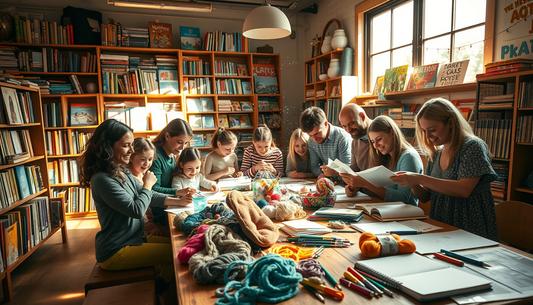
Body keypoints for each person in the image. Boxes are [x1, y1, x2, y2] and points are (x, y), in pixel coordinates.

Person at [79, 119, 190, 295]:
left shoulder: (120, 170)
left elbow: (148, 196)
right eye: (126, 145)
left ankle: (164, 289)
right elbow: (136, 208)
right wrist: (147, 184)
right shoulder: (102, 179)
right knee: (175, 254)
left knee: (178, 245)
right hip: (116, 251)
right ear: (108, 146)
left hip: (133, 238)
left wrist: (179, 201)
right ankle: (162, 291)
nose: (131, 151)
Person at [390, 98, 499, 241]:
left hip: (470, 227)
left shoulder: (472, 146)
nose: (428, 136)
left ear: (451, 123)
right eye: (424, 131)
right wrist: (412, 183)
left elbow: (464, 190)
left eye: (432, 130)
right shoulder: (437, 153)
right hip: (441, 225)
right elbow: (425, 197)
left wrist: (419, 178)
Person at [340, 115, 423, 206]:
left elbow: (404, 198)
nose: (376, 146)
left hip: (406, 215)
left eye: (379, 139)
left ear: (392, 133)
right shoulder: (386, 156)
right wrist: (356, 187)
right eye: (372, 141)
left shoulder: (408, 157)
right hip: (386, 210)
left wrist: (365, 184)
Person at [150, 118, 193, 224]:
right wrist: (177, 191)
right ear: (167, 136)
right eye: (179, 142)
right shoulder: (154, 156)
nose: (182, 147)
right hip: (158, 215)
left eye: (186, 143)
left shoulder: (171, 154)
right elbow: (153, 189)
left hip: (170, 207)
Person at [299, 107, 352, 179]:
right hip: (328, 182)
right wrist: (325, 174)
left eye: (317, 133)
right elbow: (314, 168)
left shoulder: (342, 138)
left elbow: (348, 168)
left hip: (347, 183)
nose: (314, 139)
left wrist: (335, 172)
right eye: (310, 135)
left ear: (325, 124)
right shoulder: (311, 141)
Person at [127, 137, 164, 237]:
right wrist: (150, 227)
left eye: (150, 159)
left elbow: (150, 196)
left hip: (149, 224)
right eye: (143, 159)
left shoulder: (141, 174)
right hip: (141, 230)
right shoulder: (130, 179)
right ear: (131, 157)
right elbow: (139, 207)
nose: (147, 163)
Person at [339, 103, 372, 173]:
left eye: (351, 123)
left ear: (362, 117)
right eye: (344, 126)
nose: (348, 130)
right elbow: (354, 169)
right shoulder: (355, 140)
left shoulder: (381, 135)